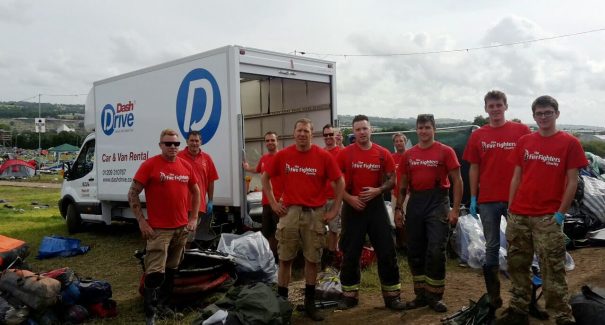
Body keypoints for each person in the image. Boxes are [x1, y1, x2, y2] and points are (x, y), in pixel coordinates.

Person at [497, 96, 588, 325]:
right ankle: (518, 310)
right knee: (517, 265)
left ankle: (561, 316)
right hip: (519, 215)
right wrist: (511, 207)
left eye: (548, 112)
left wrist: (560, 213)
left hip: (548, 216)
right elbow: (517, 176)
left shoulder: (570, 143)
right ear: (534, 115)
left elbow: (572, 182)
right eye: (539, 113)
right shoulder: (525, 142)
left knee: (552, 268)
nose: (543, 117)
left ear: (557, 114)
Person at [262, 118, 345, 321]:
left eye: (306, 131)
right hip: (290, 212)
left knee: (312, 259)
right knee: (285, 258)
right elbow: (265, 177)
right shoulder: (283, 155)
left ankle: (309, 304)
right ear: (293, 134)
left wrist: (335, 208)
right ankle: (282, 305)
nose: (302, 134)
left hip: (315, 214)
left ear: (311, 134)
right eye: (299, 130)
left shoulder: (323, 156)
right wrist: (273, 203)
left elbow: (339, 181)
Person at [462, 90, 531, 310]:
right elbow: (473, 167)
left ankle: (525, 299)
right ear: (485, 109)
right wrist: (473, 197)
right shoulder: (478, 135)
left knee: (520, 246)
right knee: (491, 246)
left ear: (506, 106)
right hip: (488, 200)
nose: (495, 109)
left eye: (498, 105)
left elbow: (529, 164)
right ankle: (494, 298)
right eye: (491, 106)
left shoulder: (521, 131)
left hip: (516, 200)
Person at [128, 129, 200, 325]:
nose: (173, 147)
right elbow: (133, 193)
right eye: (168, 144)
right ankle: (150, 313)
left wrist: (193, 218)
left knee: (172, 270)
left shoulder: (185, 165)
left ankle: (164, 306)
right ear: (160, 145)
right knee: (155, 273)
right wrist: (142, 221)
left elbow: (196, 190)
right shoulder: (150, 165)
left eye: (176, 144)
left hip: (181, 229)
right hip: (159, 230)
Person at [337, 115, 406, 311]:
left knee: (386, 250)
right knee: (350, 252)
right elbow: (335, 183)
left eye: (364, 128)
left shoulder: (383, 153)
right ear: (353, 132)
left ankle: (392, 297)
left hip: (376, 206)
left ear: (371, 130)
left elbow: (392, 180)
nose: (361, 132)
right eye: (357, 129)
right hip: (352, 207)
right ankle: (349, 295)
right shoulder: (344, 154)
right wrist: (350, 199)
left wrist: (378, 190)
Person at [395, 114, 463, 313]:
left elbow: (457, 181)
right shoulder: (409, 155)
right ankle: (421, 295)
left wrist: (456, 209)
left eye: (427, 127)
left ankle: (435, 296)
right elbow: (403, 184)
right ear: (415, 130)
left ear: (434, 129)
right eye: (420, 128)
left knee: (435, 250)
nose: (423, 131)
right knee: (415, 250)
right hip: (416, 202)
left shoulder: (445, 151)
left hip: (438, 202)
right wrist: (399, 209)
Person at [243, 131, 283, 258]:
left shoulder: (283, 157)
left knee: (280, 234)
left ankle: (281, 259)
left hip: (280, 204)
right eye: (267, 140)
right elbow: (257, 169)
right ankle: (271, 258)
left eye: (272, 140)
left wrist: (283, 199)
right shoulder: (264, 159)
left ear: (277, 141)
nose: (270, 142)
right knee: (267, 233)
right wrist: (247, 167)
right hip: (266, 203)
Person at [177, 131, 219, 246]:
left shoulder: (207, 158)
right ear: (187, 141)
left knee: (190, 234)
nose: (194, 143)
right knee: (179, 234)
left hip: (198, 205)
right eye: (192, 140)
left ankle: (184, 258)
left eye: (197, 141)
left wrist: (210, 200)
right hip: (180, 203)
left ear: (201, 142)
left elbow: (211, 180)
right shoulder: (178, 156)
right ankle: (177, 259)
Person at [321, 124, 342, 269]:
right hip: (320, 199)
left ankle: (332, 257)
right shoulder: (319, 153)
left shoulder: (343, 152)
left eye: (331, 134)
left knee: (334, 230)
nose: (328, 137)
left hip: (336, 199)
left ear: (336, 135)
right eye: (326, 135)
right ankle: (321, 256)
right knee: (319, 229)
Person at [391, 132, 408, 249]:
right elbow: (389, 176)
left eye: (401, 141)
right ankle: (399, 245)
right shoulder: (391, 157)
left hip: (408, 194)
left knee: (408, 219)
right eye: (396, 141)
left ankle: (409, 245)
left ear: (405, 142)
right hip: (395, 194)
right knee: (397, 220)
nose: (399, 143)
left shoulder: (410, 155)